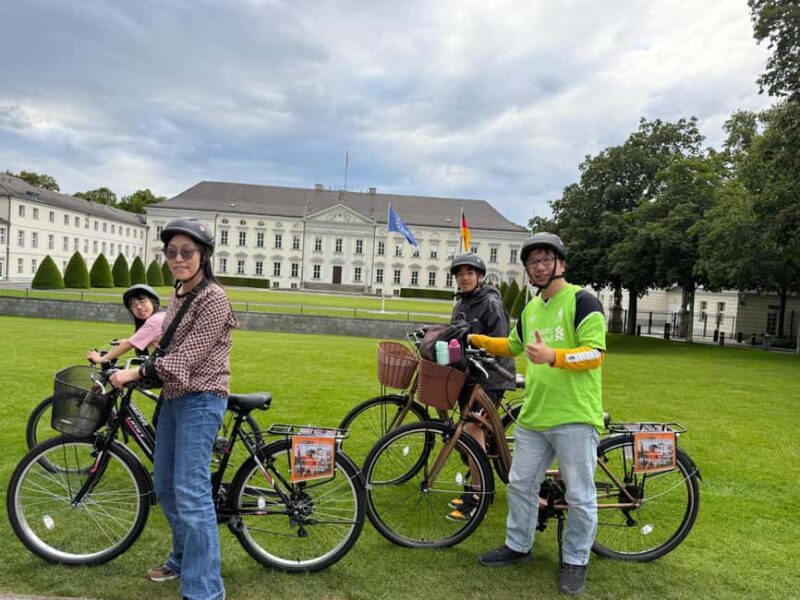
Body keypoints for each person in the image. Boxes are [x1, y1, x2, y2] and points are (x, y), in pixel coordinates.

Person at [470, 233, 606, 597]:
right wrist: (477, 340)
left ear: (560, 263)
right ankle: (519, 545)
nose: (539, 267)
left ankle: (575, 560)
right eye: (533, 262)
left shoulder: (582, 301)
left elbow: (595, 354)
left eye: (546, 260)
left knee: (579, 494)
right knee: (520, 484)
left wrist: (555, 357)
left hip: (575, 416)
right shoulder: (531, 309)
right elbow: (513, 345)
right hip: (534, 416)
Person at [110, 218, 236, 600]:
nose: (178, 258)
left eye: (187, 251)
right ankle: (182, 558)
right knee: (165, 486)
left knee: (192, 492)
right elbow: (168, 350)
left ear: (204, 255)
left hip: (202, 399)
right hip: (175, 398)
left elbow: (186, 361)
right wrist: (135, 368)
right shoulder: (180, 291)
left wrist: (135, 373)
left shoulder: (215, 298)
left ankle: (204, 591)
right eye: (172, 252)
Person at [446, 253, 515, 522]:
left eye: (469, 273)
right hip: (470, 376)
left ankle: (478, 493)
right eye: (460, 273)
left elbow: (501, 342)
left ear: (480, 276)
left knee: (473, 431)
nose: (464, 277)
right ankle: (477, 483)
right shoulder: (462, 303)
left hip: (491, 378)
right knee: (466, 431)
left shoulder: (490, 303)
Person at [86, 284, 165, 365]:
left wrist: (100, 359)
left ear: (153, 301)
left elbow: (129, 344)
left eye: (142, 302)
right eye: (133, 305)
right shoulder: (162, 315)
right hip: (166, 366)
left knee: (117, 376)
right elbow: (141, 338)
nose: (139, 307)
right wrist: (127, 340)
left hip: (166, 370)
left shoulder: (154, 320)